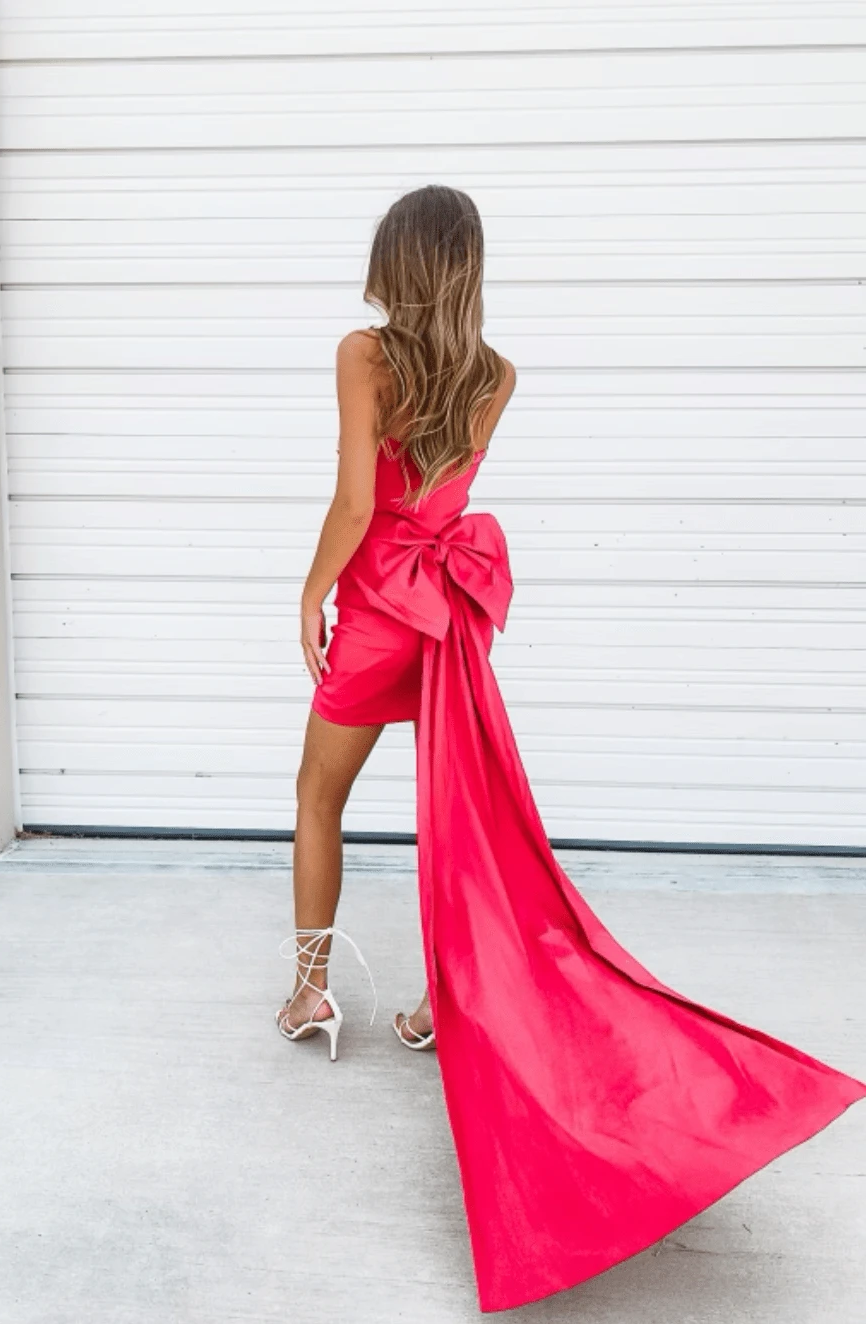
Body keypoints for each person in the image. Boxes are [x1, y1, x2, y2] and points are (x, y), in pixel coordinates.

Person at [274, 184, 865, 1313]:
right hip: (447, 619)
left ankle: (311, 994)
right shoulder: (496, 377)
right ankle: (443, 1006)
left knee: (317, 798)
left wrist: (310, 592)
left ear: (397, 262)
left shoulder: (364, 355)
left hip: (381, 614)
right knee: (462, 820)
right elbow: (436, 498)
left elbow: (357, 505)